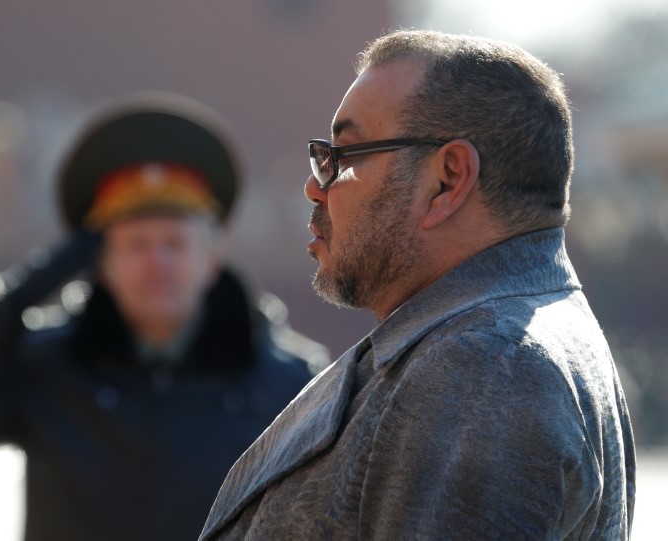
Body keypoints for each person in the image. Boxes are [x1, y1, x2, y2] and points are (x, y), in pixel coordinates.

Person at [200, 30, 636, 540]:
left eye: (344, 154)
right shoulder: (500, 338)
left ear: (448, 179)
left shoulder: (487, 364)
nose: (316, 185)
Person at [0, 92, 327, 541]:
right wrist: (24, 290)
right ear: (99, 259)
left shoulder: (288, 385)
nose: (156, 263)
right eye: (135, 245)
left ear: (212, 255)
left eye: (174, 244)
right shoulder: (50, 366)